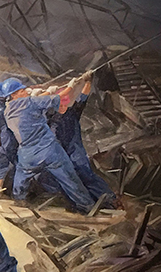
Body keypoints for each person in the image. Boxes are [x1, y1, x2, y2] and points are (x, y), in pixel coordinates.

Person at [2, 77, 96, 213]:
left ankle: (19, 200)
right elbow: (58, 97)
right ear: (13, 95)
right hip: (49, 150)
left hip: (27, 154)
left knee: (21, 175)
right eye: (22, 91)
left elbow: (33, 102)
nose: (26, 91)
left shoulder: (7, 111)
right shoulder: (29, 102)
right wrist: (70, 86)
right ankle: (86, 205)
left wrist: (47, 92)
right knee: (69, 178)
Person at [48, 71, 119, 207]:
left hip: (75, 152)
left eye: (64, 104)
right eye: (60, 105)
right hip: (59, 154)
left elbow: (83, 97)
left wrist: (88, 81)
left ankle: (109, 199)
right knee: (68, 181)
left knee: (86, 175)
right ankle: (79, 205)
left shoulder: (73, 113)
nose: (62, 107)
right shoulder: (49, 117)